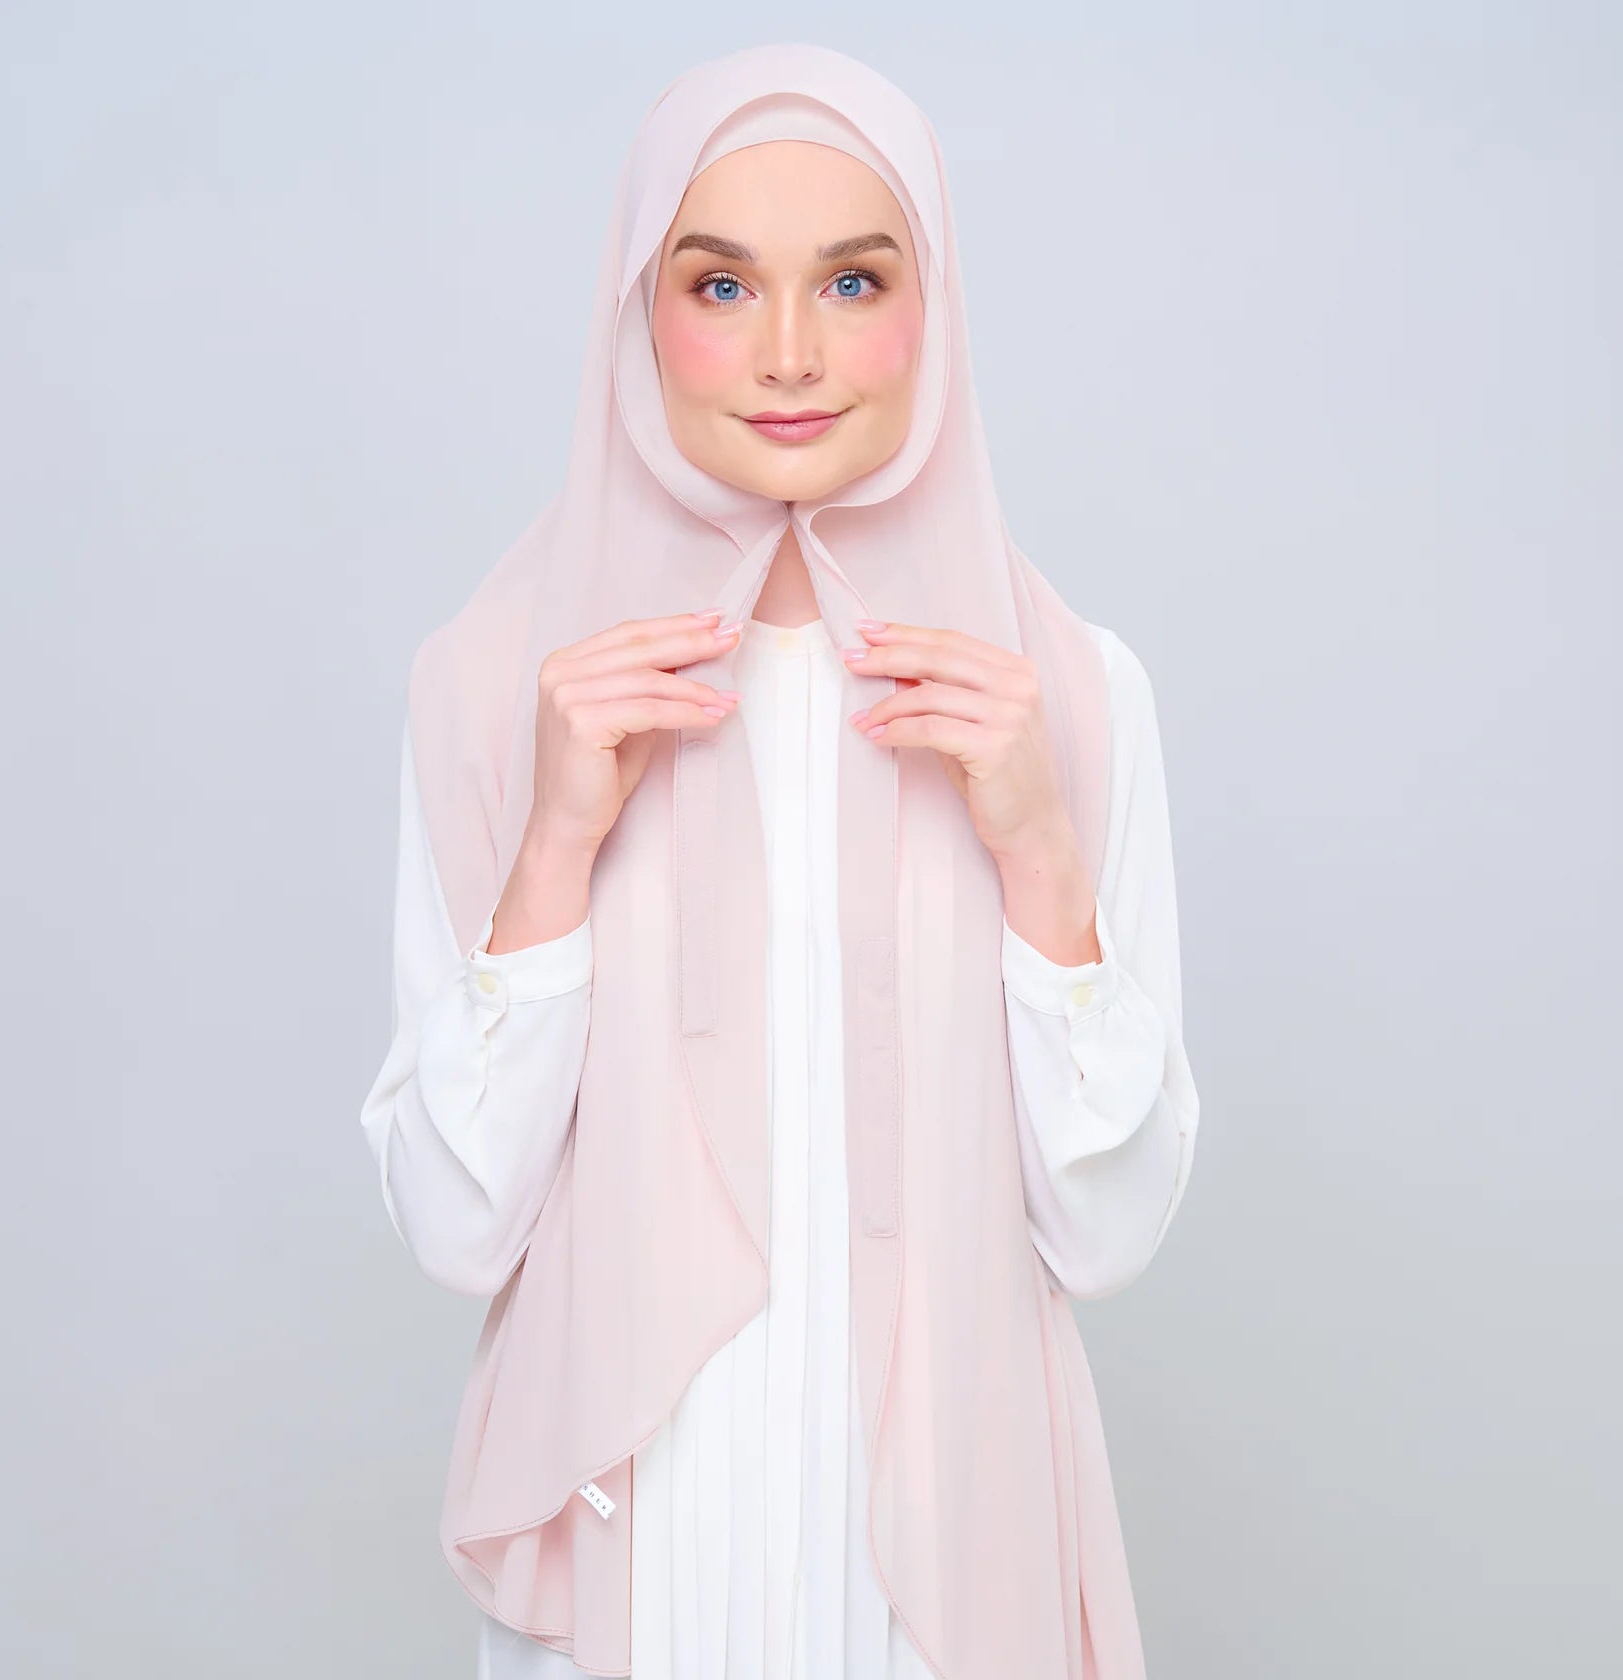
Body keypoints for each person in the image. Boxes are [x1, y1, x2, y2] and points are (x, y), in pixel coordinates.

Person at [359, 43, 1201, 1680]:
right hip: (641, 1571)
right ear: (638, 311)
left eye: (855, 280)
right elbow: (459, 1233)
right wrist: (558, 842)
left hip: (938, 1576)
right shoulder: (498, 685)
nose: (791, 353)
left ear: (934, 312)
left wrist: (1037, 846)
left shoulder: (1070, 695)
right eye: (724, 284)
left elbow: (1105, 1242)